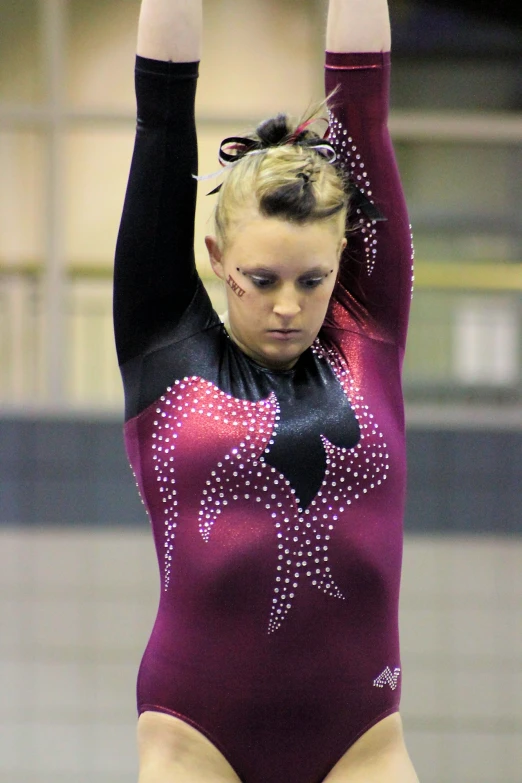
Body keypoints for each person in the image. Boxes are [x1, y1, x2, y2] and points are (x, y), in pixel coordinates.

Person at [114, 0, 418, 781]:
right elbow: (161, 119)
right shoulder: (164, 344)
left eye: (313, 280)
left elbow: (366, 103)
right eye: (263, 279)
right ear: (218, 258)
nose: (289, 305)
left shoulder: (367, 332)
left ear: (342, 260)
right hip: (195, 732)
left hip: (361, 737)